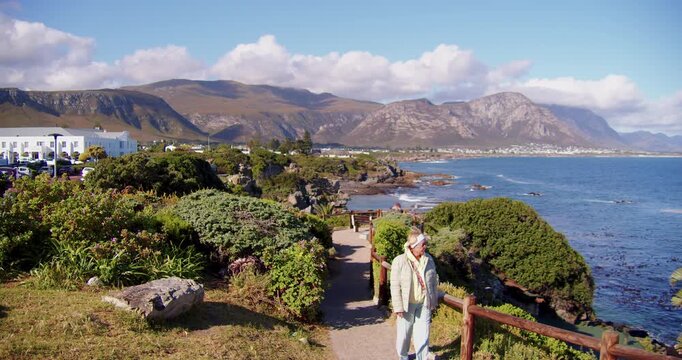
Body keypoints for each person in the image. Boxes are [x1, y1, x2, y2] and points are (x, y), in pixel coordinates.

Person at [390, 227, 439, 360]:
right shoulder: (399, 261)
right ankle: (403, 357)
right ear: (413, 246)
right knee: (404, 336)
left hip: (424, 304)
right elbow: (394, 286)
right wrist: (398, 307)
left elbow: (434, 281)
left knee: (423, 335)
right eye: (422, 244)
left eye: (425, 244)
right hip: (407, 305)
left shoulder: (428, 260)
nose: (425, 247)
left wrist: (433, 301)